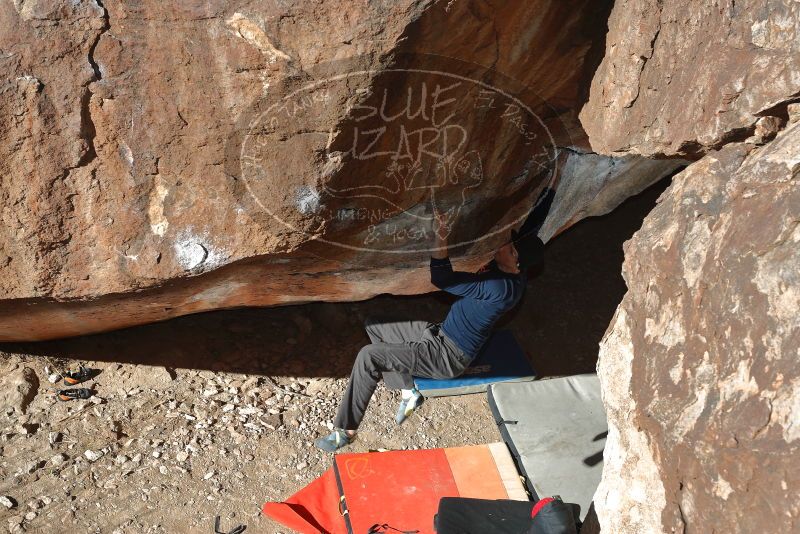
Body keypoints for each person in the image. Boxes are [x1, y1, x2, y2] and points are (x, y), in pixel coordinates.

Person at [314, 157, 563, 453]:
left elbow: (442, 278)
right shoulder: (515, 266)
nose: (502, 246)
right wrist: (552, 185)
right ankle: (409, 393)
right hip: (439, 334)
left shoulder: (499, 288)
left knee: (369, 357)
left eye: (508, 249)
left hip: (447, 357)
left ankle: (346, 430)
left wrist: (440, 239)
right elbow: (533, 225)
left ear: (516, 263)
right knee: (375, 326)